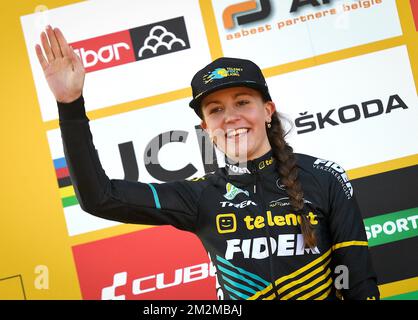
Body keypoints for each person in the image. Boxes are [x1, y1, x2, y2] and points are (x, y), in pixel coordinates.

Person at [35, 25, 380, 300]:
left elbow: (358, 281)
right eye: (216, 110)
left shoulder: (324, 177)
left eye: (242, 102)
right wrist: (70, 104)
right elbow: (100, 197)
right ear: (205, 128)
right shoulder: (200, 196)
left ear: (268, 111)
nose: (230, 117)